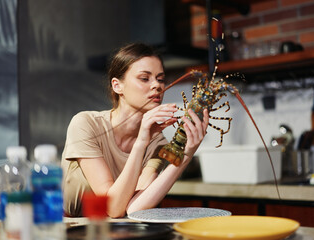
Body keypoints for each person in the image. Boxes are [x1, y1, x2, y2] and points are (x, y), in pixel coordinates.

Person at [61, 43, 209, 218]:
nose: (157, 86)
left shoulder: (157, 142)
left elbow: (133, 209)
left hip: (115, 230)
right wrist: (140, 142)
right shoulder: (86, 124)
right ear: (117, 86)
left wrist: (185, 156)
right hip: (67, 228)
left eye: (160, 79)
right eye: (144, 78)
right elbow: (113, 208)